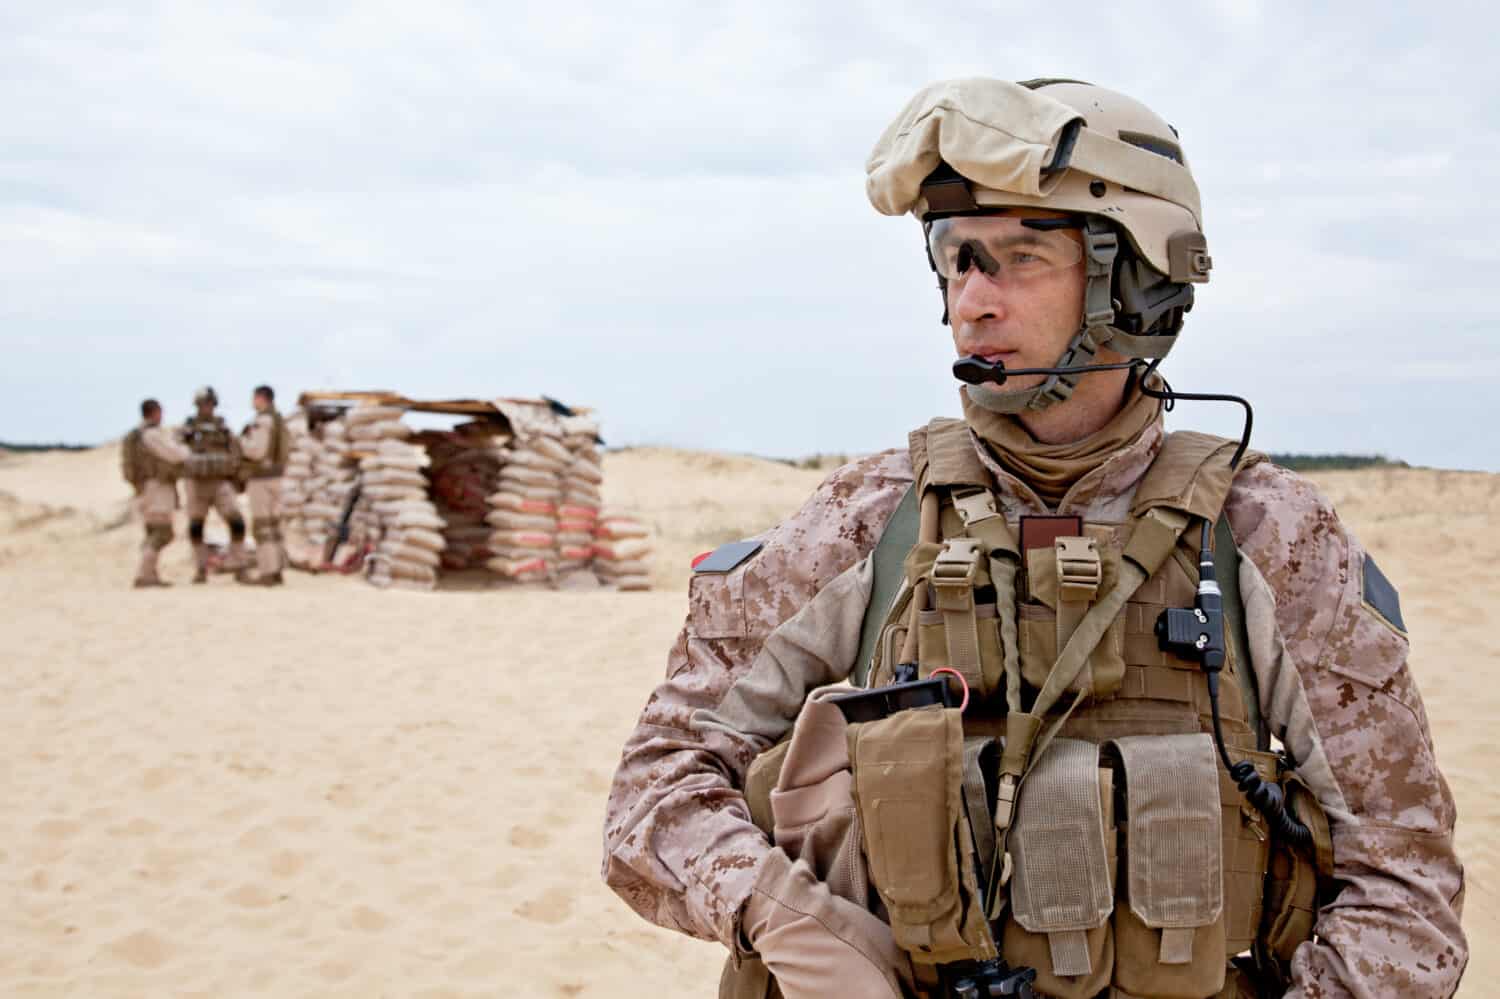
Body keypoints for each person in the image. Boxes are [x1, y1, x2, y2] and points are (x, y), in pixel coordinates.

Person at [601, 79, 1466, 998]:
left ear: (1132, 282)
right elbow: (653, 792)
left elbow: (1404, 890)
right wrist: (791, 919)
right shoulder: (866, 519)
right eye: (956, 258)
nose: (973, 298)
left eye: (1018, 257)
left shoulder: (1269, 534)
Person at [181, 385, 248, 583]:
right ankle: (200, 568)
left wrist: (238, 476)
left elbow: (236, 451)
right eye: (203, 404)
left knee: (236, 522)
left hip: (220, 482)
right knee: (196, 526)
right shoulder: (188, 429)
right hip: (197, 483)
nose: (207, 407)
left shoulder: (223, 428)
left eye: (210, 404)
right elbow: (177, 452)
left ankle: (239, 564)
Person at [122, 398, 190, 587]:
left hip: (148, 489)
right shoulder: (151, 435)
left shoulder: (141, 434)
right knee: (162, 533)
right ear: (154, 412)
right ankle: (145, 574)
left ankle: (149, 574)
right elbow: (175, 454)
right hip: (157, 488)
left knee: (153, 532)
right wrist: (185, 447)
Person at [237, 384, 289, 586]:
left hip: (261, 479)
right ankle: (276, 570)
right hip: (277, 477)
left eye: (254, 398)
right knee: (274, 526)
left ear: (261, 398)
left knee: (263, 527)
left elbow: (257, 451)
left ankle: (267, 572)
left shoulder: (262, 421)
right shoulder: (278, 420)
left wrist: (240, 443)